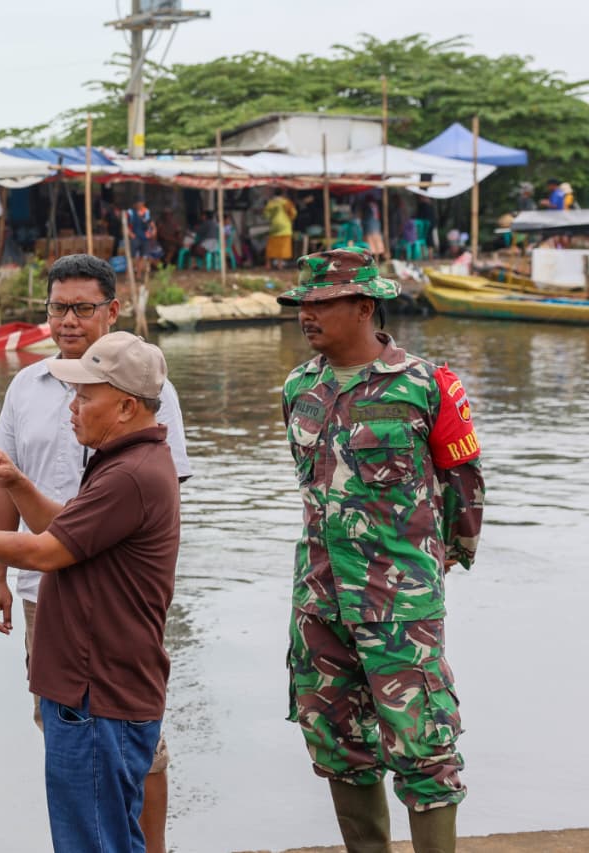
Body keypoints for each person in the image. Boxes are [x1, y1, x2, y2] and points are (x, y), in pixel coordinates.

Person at [0, 331, 181, 853]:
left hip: (97, 688)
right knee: (110, 831)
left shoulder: (129, 475)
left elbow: (46, 553)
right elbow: (67, 529)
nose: (73, 407)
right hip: (104, 682)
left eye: (86, 397)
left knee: (92, 839)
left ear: (127, 407)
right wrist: (17, 482)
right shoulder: (125, 461)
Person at [277, 249, 485, 853]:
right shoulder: (299, 387)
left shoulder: (427, 383)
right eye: (302, 305)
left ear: (365, 306)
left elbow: (464, 483)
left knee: (424, 747)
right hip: (319, 599)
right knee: (336, 741)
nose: (306, 316)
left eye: (321, 304)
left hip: (400, 604)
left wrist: (442, 558)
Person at [0, 253, 191, 853]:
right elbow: (7, 480)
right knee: (65, 726)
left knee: (138, 739)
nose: (68, 320)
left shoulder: (149, 389)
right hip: (41, 590)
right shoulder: (27, 384)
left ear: (112, 311)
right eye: (57, 307)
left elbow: (158, 498)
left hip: (120, 592)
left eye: (82, 307)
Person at [263, 189, 297, 269]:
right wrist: (288, 218)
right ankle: (280, 264)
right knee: (283, 247)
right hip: (285, 227)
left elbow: (266, 216)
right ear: (283, 194)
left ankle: (268, 264)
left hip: (274, 227)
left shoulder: (270, 203)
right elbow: (294, 213)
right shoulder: (286, 202)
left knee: (271, 246)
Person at [127, 199, 157, 279]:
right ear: (135, 204)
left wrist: (154, 229)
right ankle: (128, 275)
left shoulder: (146, 212)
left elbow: (150, 222)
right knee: (132, 256)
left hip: (144, 237)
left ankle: (138, 275)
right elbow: (126, 224)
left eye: (142, 203)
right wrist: (130, 234)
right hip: (135, 236)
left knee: (142, 256)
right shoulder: (130, 212)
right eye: (139, 203)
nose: (140, 205)